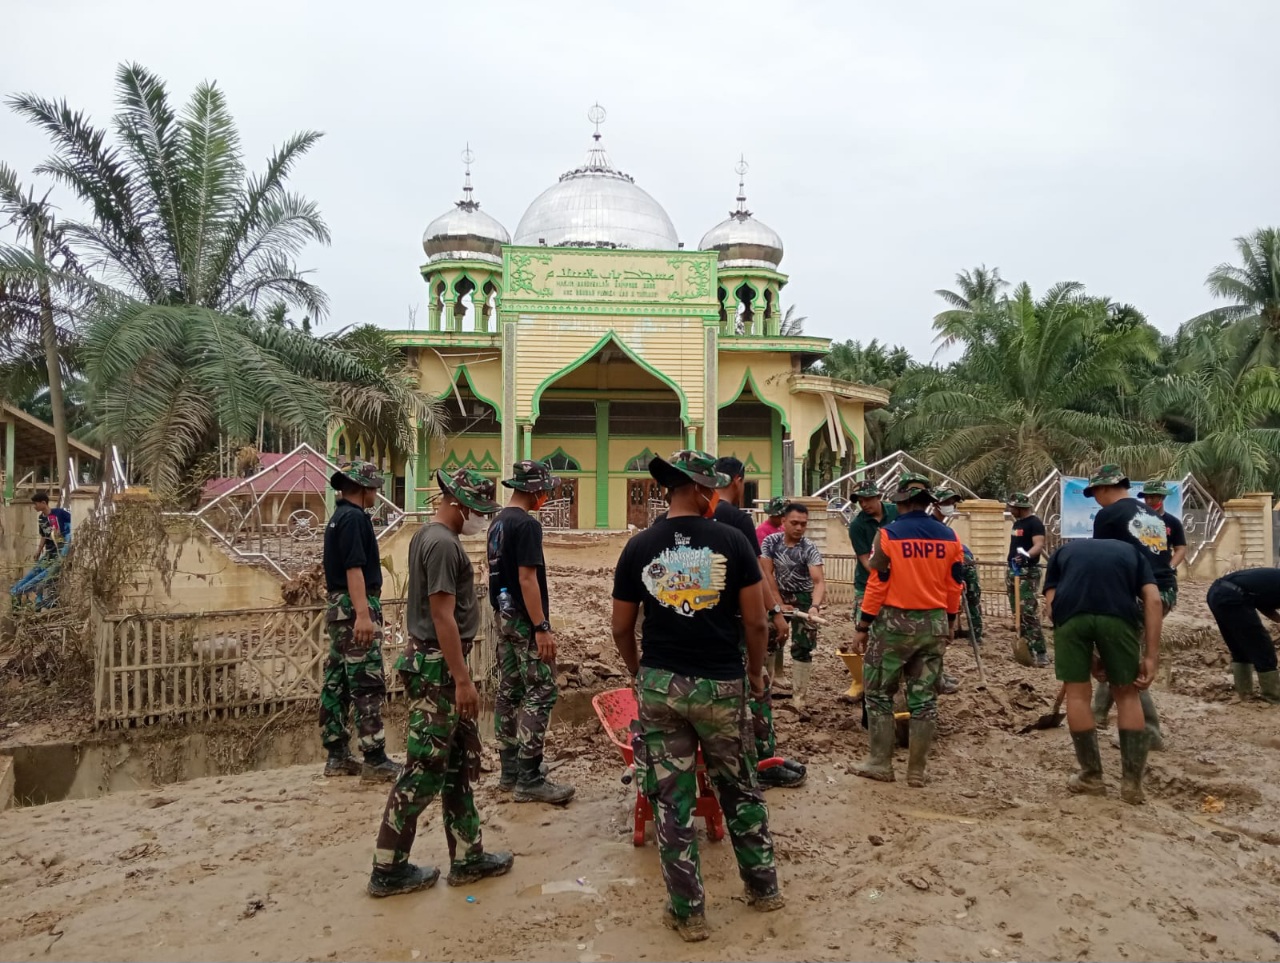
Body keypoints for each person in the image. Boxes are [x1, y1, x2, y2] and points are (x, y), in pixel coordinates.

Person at [611, 450, 782, 942]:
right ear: (703, 491)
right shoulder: (732, 540)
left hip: (661, 685)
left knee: (672, 801)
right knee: (739, 788)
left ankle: (689, 914)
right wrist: (754, 676)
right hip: (721, 686)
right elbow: (755, 622)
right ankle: (764, 889)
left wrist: (640, 673)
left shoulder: (639, 546)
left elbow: (621, 627)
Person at [369, 468, 515, 897]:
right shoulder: (442, 544)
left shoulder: (430, 537)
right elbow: (442, 615)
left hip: (441, 665)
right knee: (425, 768)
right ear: (457, 503)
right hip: (439, 669)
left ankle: (468, 855)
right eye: (477, 510)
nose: (481, 519)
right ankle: (388, 867)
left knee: (457, 764)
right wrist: (463, 680)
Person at [851, 480, 963, 787]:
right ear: (927, 502)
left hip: (893, 626)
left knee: (878, 694)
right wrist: (950, 621)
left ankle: (880, 763)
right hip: (934, 624)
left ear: (900, 503)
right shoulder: (950, 537)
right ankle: (917, 771)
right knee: (924, 699)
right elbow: (954, 585)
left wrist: (863, 626)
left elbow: (878, 583)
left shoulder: (888, 534)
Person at [1043, 538, 1161, 805]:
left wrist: (1089, 659)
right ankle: (1132, 785)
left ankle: (1091, 778)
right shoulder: (1133, 553)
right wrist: (1151, 657)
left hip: (1070, 619)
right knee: (1127, 695)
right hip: (1118, 618)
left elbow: (1052, 606)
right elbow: (1153, 601)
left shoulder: (1062, 552)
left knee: (1077, 695)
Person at [712, 457, 804, 790]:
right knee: (757, 685)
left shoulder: (689, 515)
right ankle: (762, 761)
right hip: (736, 620)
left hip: (697, 622)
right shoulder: (736, 518)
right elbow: (756, 573)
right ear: (738, 480)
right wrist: (775, 611)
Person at [487, 459, 575, 805]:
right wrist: (541, 627)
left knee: (508, 691)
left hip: (503, 616)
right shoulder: (526, 525)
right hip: (525, 620)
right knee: (541, 689)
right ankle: (530, 776)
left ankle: (509, 771)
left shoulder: (497, 523)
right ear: (535, 491)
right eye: (545, 491)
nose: (546, 496)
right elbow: (527, 578)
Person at [320, 461, 399, 781]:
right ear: (364, 488)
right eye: (374, 487)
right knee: (366, 681)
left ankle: (337, 754)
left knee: (337, 681)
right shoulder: (354, 519)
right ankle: (374, 758)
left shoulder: (338, 518)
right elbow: (354, 568)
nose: (377, 493)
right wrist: (363, 614)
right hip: (355, 607)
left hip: (339, 608)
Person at [1084, 465, 1168, 749]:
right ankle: (1098, 714)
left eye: (1096, 493)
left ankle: (1149, 733)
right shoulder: (1151, 513)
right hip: (1164, 591)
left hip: (1135, 595)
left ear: (1105, 488)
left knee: (1125, 665)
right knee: (1117, 656)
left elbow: (1101, 560)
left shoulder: (1108, 515)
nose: (1097, 500)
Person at [761, 503, 827, 721]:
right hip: (776, 595)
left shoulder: (809, 547)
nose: (799, 528)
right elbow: (767, 574)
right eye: (794, 523)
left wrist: (815, 606)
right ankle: (764, 696)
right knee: (768, 641)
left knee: (803, 646)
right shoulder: (771, 542)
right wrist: (778, 604)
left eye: (803, 524)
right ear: (783, 522)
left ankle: (799, 699)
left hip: (803, 598)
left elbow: (818, 581)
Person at [1205, 568, 1280, 703]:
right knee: (1262, 647)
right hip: (1233, 596)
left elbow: (1263, 603)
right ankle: (1273, 697)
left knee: (1240, 647)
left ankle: (1244, 695)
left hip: (1216, 593)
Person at [930, 489, 982, 647]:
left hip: (960, 569)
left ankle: (975, 634)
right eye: (946, 503)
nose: (950, 506)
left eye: (952, 503)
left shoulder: (947, 531)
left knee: (973, 600)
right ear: (936, 504)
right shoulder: (931, 528)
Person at [1006, 492, 1049, 667]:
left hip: (1027, 571)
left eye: (1013, 507)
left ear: (1021, 507)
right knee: (1017, 612)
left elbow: (1038, 545)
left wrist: (1026, 556)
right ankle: (1026, 648)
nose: (1010, 509)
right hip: (1013, 570)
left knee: (1028, 612)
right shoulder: (1017, 523)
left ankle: (1041, 652)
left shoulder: (1035, 523)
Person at [11, 491, 71, 609]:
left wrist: (65, 545)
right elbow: (44, 535)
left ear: (43, 503)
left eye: (36, 504)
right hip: (49, 552)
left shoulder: (59, 513)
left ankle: (23, 593)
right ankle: (18, 592)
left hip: (60, 552)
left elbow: (72, 526)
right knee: (35, 572)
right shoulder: (41, 518)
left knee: (45, 578)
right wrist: (39, 550)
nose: (34, 506)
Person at [847, 480, 897, 617]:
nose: (864, 504)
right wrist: (885, 577)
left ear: (878, 497)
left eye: (867, 499)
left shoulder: (896, 512)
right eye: (860, 501)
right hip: (867, 584)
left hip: (898, 583)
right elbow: (865, 560)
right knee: (864, 623)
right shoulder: (857, 525)